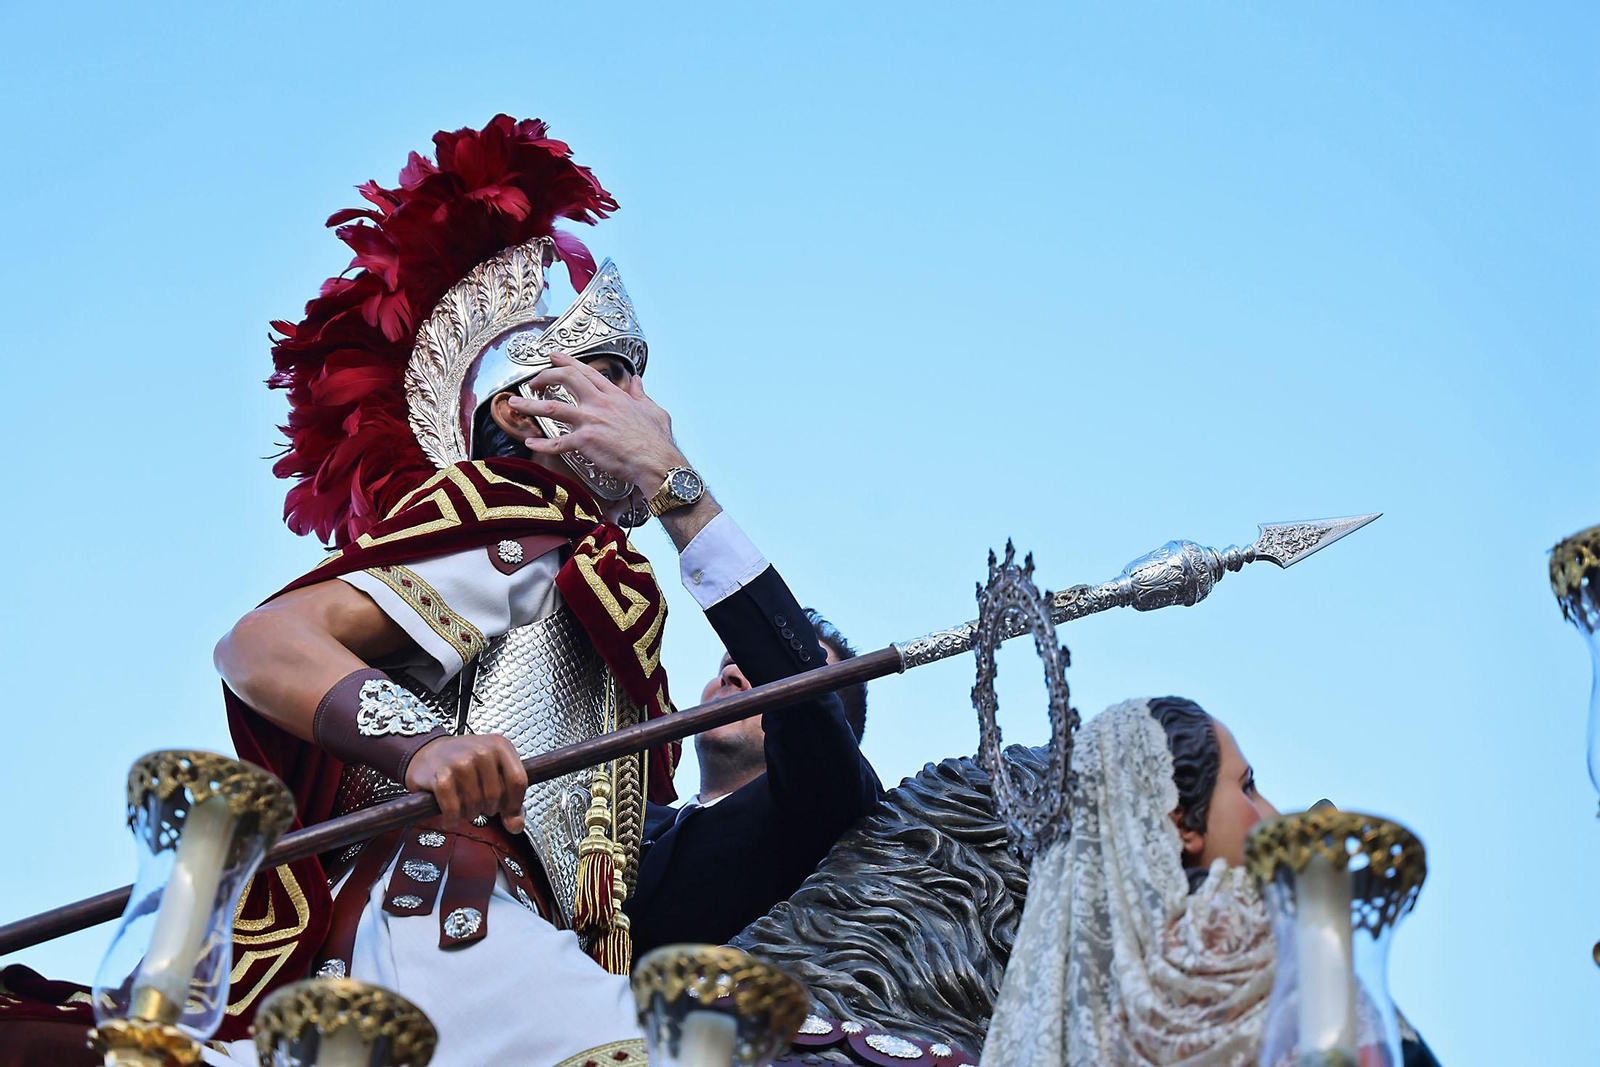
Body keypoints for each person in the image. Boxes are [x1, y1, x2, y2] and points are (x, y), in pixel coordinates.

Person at [204, 115, 847, 1067]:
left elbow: (825, 785)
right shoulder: (521, 529)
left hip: (539, 954)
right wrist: (425, 745)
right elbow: (263, 645)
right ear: (522, 409)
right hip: (439, 931)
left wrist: (682, 492)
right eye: (619, 380)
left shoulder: (611, 625)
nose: (653, 411)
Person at [980, 697, 1441, 1067]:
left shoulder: (1076, 1023)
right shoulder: (1287, 959)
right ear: (1181, 822)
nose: (1274, 815)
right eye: (1246, 786)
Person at [625, 611, 880, 954]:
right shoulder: (620, 815)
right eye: (728, 664)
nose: (730, 674)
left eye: (763, 672)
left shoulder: (826, 811)